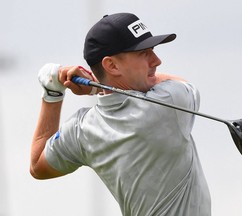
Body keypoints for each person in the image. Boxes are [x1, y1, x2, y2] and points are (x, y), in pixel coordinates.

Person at [30, 12, 211, 216]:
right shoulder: (169, 103)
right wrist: (96, 87)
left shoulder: (81, 129)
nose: (157, 60)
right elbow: (181, 83)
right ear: (112, 65)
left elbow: (38, 166)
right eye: (144, 53)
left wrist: (53, 92)